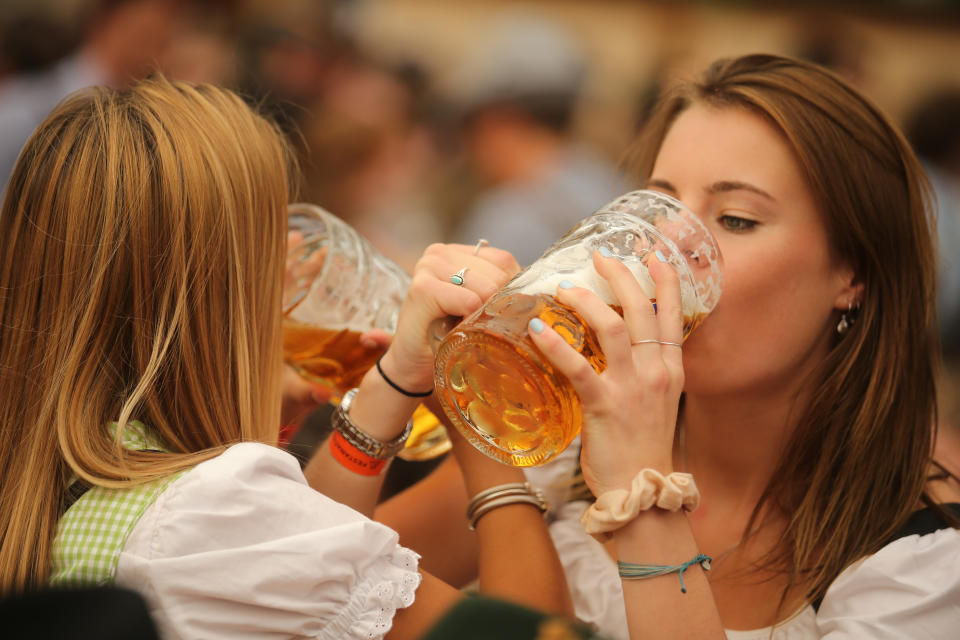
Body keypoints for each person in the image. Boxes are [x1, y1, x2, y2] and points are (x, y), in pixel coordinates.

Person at [378, 54, 960, 639]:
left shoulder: (920, 563)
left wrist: (641, 492)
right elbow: (324, 583)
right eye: (659, 209)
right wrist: (394, 380)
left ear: (851, 274)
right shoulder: (565, 446)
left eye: (734, 220)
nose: (663, 256)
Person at [0, 77, 575, 638]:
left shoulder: (80, 471)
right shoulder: (210, 514)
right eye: (269, 241)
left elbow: (305, 553)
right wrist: (482, 403)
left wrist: (397, 378)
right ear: (210, 296)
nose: (294, 267)